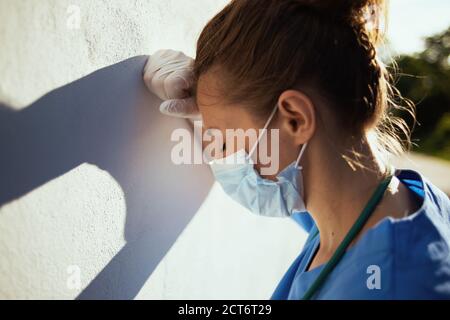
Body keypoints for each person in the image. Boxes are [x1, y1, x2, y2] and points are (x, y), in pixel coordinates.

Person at [143, 0, 450, 299]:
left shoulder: (395, 285)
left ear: (296, 118)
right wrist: (212, 109)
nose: (227, 158)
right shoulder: (357, 209)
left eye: (226, 139)